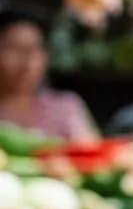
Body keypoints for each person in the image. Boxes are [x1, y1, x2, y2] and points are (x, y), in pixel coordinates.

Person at [0, 8, 96, 142]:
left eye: (34, 48)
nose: (27, 60)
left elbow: (92, 152)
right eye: (14, 48)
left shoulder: (66, 107)